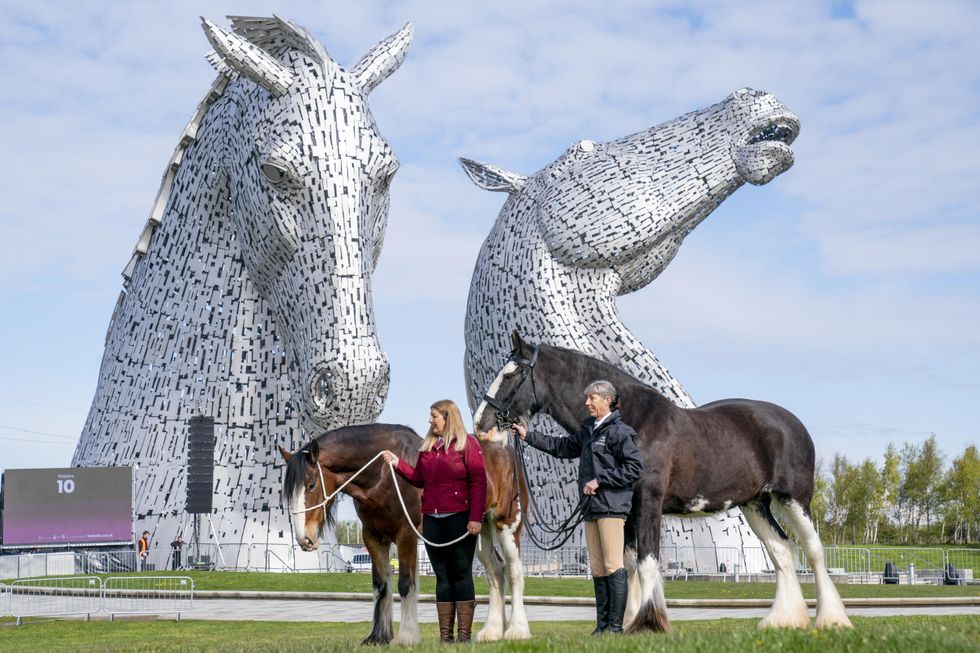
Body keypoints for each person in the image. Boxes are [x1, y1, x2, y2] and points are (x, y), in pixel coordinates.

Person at [512, 380, 642, 634]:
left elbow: (634, 467)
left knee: (613, 565)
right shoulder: (589, 431)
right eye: (587, 398)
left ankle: (615, 627)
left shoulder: (620, 432)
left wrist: (601, 481)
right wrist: (529, 436)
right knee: (596, 566)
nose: (587, 402)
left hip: (611, 507)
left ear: (607, 400)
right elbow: (562, 447)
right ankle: (602, 625)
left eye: (592, 398)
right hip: (591, 507)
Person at [381, 399, 487, 643]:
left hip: (460, 520)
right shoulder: (428, 448)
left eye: (434, 417)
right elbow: (419, 479)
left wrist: (475, 517)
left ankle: (463, 636)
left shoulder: (468, 445)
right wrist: (398, 464)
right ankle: (445, 637)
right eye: (430, 417)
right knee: (442, 577)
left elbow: (478, 482)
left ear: (448, 418)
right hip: (433, 521)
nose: (430, 421)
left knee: (461, 574)